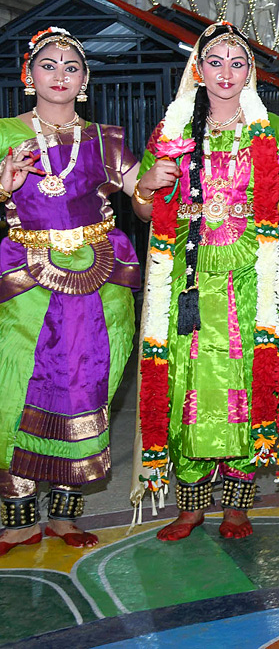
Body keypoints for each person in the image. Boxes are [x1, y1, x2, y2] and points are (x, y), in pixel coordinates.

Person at [134, 23, 279, 541]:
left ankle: (239, 503)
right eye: (215, 61)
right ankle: (192, 501)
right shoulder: (174, 128)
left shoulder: (273, 131)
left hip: (249, 273)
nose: (225, 72)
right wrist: (145, 185)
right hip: (191, 273)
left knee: (243, 380)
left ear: (250, 72)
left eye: (237, 62)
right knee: (188, 382)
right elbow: (145, 207)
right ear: (198, 67)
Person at [0, 28, 142, 554]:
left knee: (85, 387)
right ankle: (16, 518)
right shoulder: (4, 134)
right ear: (28, 74)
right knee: (15, 387)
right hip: (24, 277)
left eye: (72, 67)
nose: (60, 75)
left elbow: (143, 196)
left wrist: (159, 181)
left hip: (99, 278)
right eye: (49, 65)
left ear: (85, 80)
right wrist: (2, 187)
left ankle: (63, 515)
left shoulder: (105, 139)